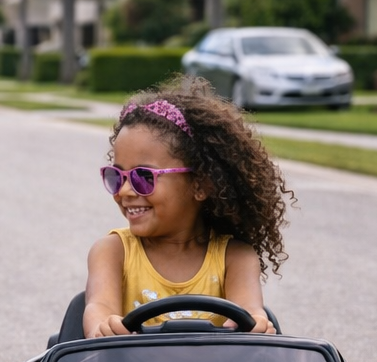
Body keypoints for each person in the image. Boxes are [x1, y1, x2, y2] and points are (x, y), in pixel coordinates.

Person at [83, 76, 293, 338]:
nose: (124, 191)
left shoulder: (235, 258)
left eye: (144, 177)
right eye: (116, 176)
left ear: (201, 185)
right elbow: (99, 306)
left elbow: (249, 310)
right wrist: (102, 327)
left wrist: (257, 323)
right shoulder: (113, 252)